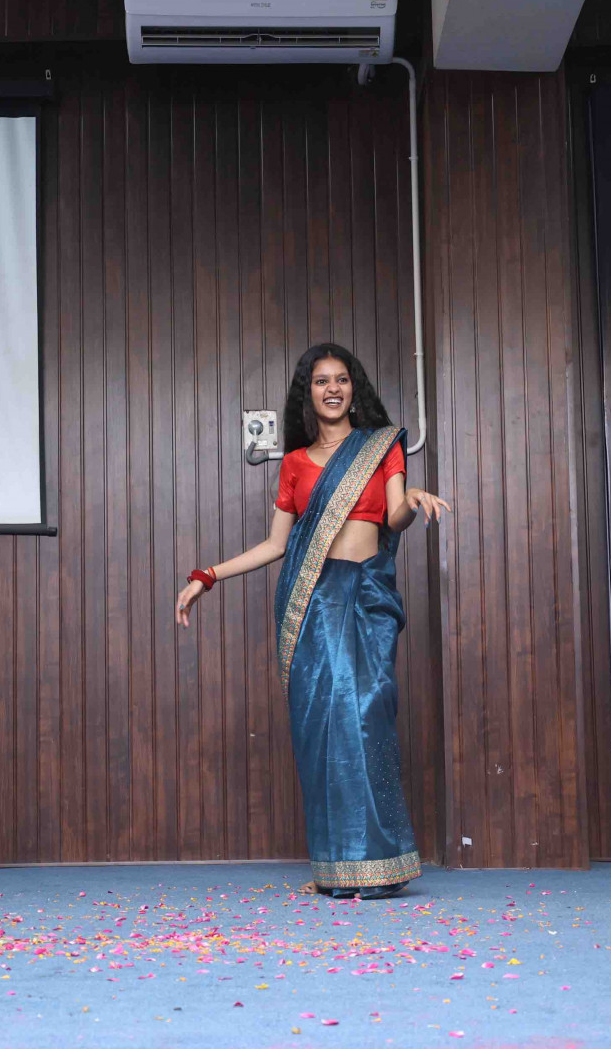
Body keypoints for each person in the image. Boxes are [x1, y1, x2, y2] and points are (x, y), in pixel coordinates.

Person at [174, 344, 448, 898]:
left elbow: (394, 516)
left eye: (341, 379)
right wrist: (208, 575)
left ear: (354, 389)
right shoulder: (295, 463)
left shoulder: (381, 446)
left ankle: (380, 861)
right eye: (321, 381)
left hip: (368, 594)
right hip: (315, 603)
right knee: (326, 727)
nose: (333, 389)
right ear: (309, 392)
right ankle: (339, 866)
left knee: (367, 716)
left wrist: (413, 497)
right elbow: (276, 545)